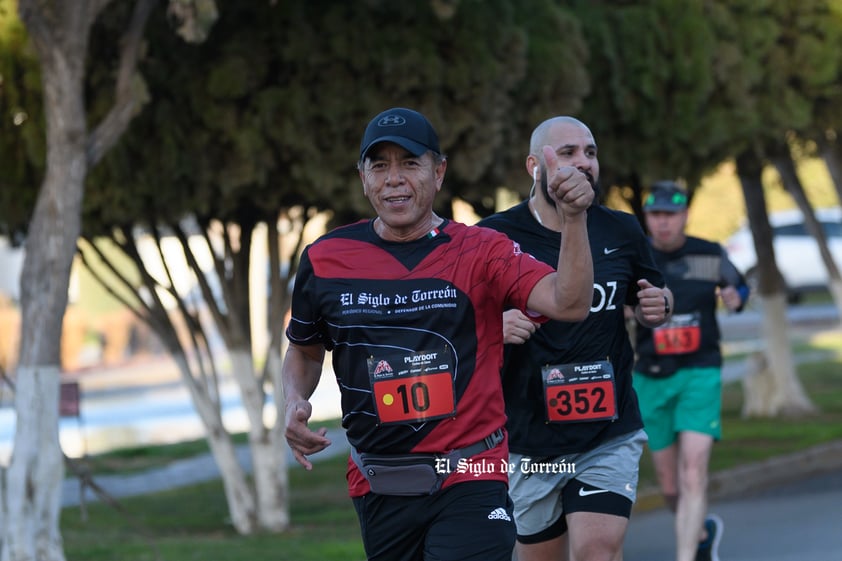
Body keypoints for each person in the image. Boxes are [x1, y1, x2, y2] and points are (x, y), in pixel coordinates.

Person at [282, 107, 596, 561]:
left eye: (410, 163)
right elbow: (306, 350)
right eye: (380, 165)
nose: (394, 179)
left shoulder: (481, 251)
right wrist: (295, 401)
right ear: (362, 176)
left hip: (471, 473)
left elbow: (569, 302)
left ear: (439, 172)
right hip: (379, 483)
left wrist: (573, 219)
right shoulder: (326, 258)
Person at [477, 115, 673, 561]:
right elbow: (454, 324)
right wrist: (492, 326)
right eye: (567, 153)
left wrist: (661, 307)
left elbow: (655, 292)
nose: (583, 163)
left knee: (597, 551)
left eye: (590, 152)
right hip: (527, 439)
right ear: (534, 165)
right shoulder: (492, 237)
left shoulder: (621, 230)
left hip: (608, 432)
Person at [632, 181, 750, 561]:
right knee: (670, 484)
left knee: (693, 470)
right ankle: (700, 534)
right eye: (656, 215)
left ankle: (686, 556)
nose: (663, 223)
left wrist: (736, 298)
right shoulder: (636, 256)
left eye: (671, 215)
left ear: (684, 216)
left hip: (700, 370)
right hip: (649, 375)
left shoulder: (709, 253)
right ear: (647, 217)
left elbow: (740, 287)